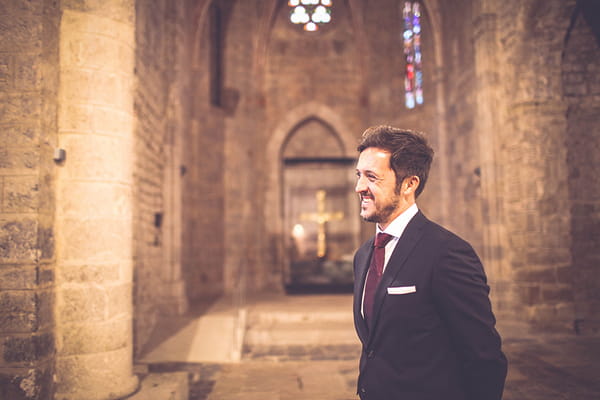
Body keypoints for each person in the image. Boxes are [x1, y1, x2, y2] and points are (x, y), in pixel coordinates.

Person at [352, 125, 507, 400]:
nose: (359, 187)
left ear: (410, 184)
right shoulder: (363, 255)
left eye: (372, 177)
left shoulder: (447, 253)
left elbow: (483, 357)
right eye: (359, 175)